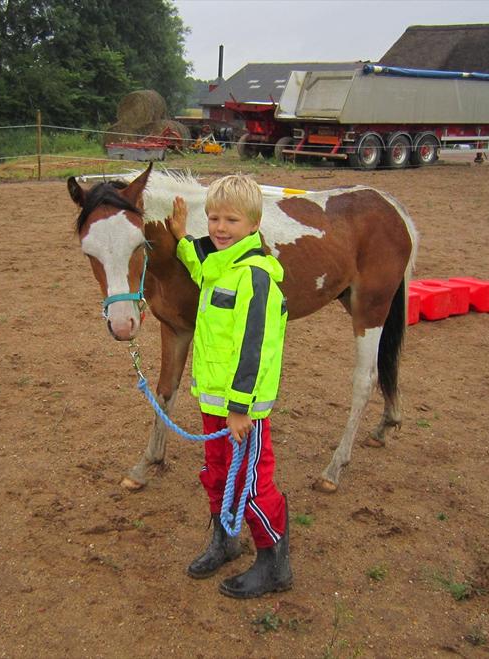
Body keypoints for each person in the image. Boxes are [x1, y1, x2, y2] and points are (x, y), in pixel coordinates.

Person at [165, 174, 292, 599]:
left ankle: (274, 563)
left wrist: (239, 408)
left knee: (253, 483)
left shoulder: (255, 277)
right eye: (214, 218)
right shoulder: (221, 266)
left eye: (231, 220)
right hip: (214, 402)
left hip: (242, 410)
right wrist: (183, 239)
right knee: (217, 472)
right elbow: (202, 271)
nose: (220, 228)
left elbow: (255, 347)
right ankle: (225, 540)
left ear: (254, 224)